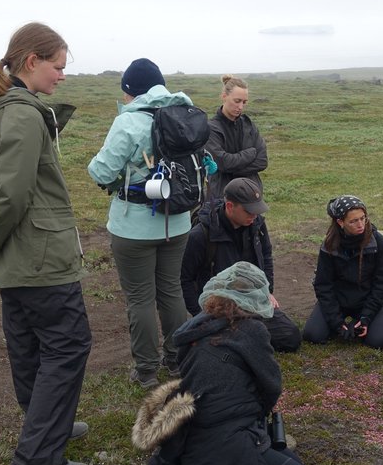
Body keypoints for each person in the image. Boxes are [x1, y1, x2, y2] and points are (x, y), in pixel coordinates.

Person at [0, 22, 92, 465]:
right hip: (41, 259)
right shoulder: (24, 115)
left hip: (20, 257)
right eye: (58, 66)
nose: (62, 76)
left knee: (30, 344)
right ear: (32, 61)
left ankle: (46, 426)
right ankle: (39, 456)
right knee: (67, 345)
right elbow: (10, 195)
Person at [133, 262, 322, 465]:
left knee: (290, 459)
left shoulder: (196, 328)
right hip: (232, 442)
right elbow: (271, 387)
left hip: (195, 435)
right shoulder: (253, 330)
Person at [88, 58, 194, 387]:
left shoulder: (129, 122)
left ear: (131, 92)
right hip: (178, 222)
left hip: (133, 226)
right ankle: (178, 360)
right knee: (171, 291)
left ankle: (147, 370)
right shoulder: (187, 113)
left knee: (140, 298)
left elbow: (101, 172)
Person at [179, 178, 301, 352]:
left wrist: (268, 292)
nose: (254, 215)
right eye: (249, 211)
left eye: (257, 211)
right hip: (220, 309)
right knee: (229, 345)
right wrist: (201, 314)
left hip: (253, 302)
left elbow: (266, 256)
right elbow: (186, 279)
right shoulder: (200, 235)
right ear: (230, 206)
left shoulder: (257, 224)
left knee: (290, 337)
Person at [302, 195, 383, 349]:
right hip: (339, 300)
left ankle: (362, 321)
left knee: (380, 341)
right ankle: (339, 324)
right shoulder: (329, 244)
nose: (361, 224)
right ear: (340, 222)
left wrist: (366, 317)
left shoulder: (378, 242)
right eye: (353, 221)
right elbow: (323, 285)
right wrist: (336, 322)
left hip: (366, 299)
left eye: (363, 218)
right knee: (313, 335)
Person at [205, 74, 267, 204]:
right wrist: (250, 154)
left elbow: (262, 161)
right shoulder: (211, 129)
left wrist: (230, 169)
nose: (240, 107)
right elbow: (221, 163)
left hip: (252, 196)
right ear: (224, 96)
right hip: (223, 198)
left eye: (244, 102)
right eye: (237, 101)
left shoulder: (249, 125)